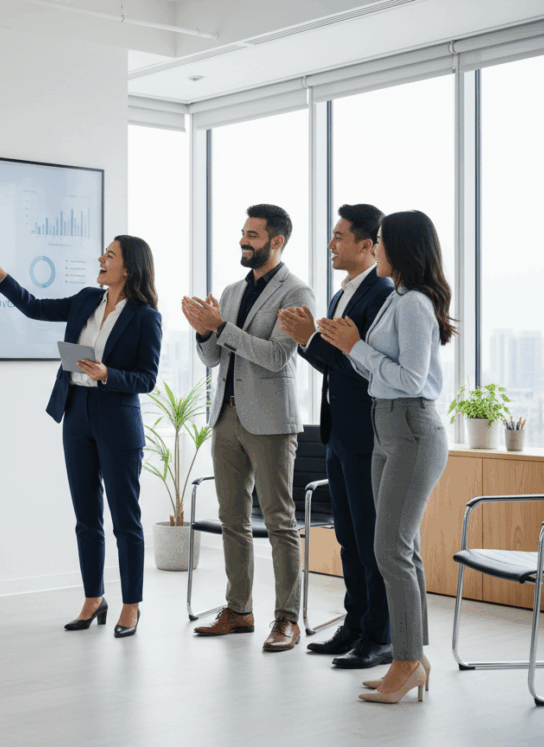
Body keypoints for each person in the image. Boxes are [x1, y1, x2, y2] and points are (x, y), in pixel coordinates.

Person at [0, 237, 161, 637]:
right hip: (76, 413)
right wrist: (1, 274)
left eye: (109, 256)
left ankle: (131, 605)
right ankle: (93, 598)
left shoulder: (146, 317)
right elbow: (34, 307)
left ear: (128, 268)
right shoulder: (86, 299)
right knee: (86, 517)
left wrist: (108, 374)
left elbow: (147, 378)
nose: (101, 259)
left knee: (125, 520)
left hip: (117, 418)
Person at [317, 210, 454, 703]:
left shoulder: (414, 303)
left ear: (397, 247)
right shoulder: (397, 299)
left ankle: (404, 660)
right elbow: (377, 373)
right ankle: (413, 657)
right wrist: (348, 348)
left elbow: (412, 379)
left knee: (390, 551)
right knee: (402, 550)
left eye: (380, 241)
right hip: (386, 427)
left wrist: (356, 347)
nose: (375, 249)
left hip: (413, 429)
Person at [183, 204, 314, 652]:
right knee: (232, 519)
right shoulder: (231, 290)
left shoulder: (296, 292)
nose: (244, 240)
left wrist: (221, 327)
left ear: (276, 241)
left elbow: (278, 356)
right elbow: (214, 359)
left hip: (272, 422)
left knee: (279, 520)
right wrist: (204, 333)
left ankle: (287, 619)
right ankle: (239, 610)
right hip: (226, 417)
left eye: (253, 234)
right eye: (243, 232)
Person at [279, 204, 395, 669]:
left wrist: (311, 340)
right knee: (349, 538)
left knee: (371, 542)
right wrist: (307, 341)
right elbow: (334, 363)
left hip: (366, 435)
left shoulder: (380, 294)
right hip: (338, 434)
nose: (331, 244)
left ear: (368, 245)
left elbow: (364, 369)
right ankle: (354, 624)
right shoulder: (341, 294)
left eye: (339, 237)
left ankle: (381, 636)